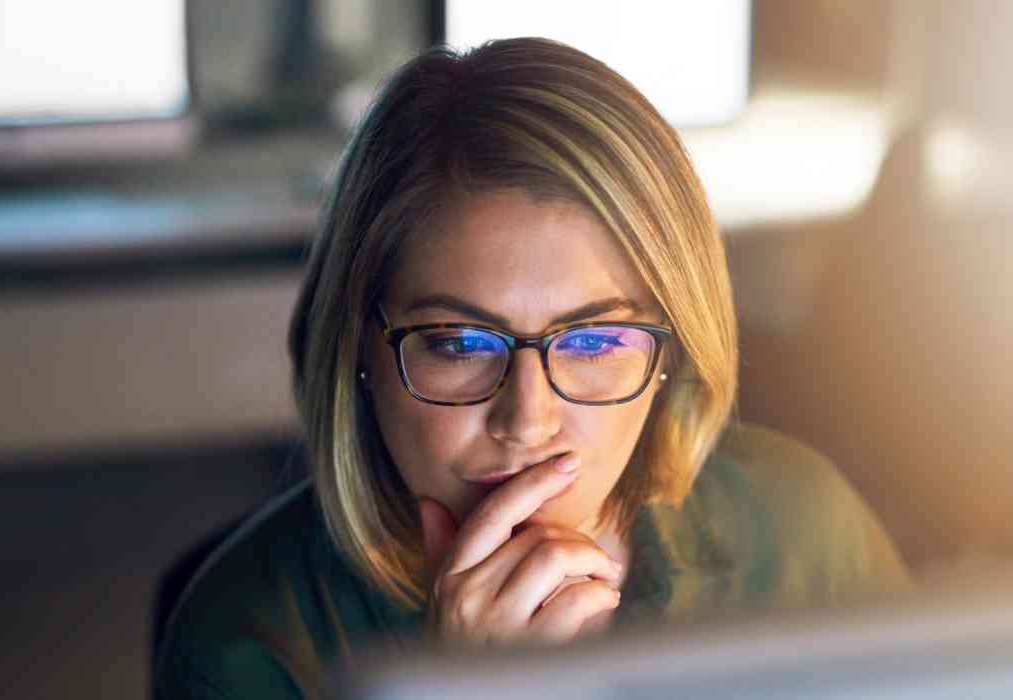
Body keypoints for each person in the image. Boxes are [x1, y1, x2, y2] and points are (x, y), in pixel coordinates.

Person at [154, 37, 911, 699]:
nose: (528, 422)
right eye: (457, 343)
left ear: (671, 350)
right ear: (359, 345)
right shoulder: (246, 644)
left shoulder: (803, 533)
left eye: (594, 342)